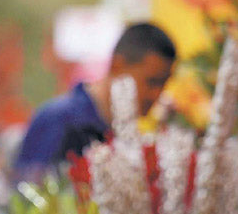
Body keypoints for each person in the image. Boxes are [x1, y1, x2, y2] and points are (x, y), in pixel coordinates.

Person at [16, 22, 176, 174]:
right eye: (152, 82)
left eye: (164, 84)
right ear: (117, 66)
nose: (157, 94)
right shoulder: (59, 120)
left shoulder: (125, 135)